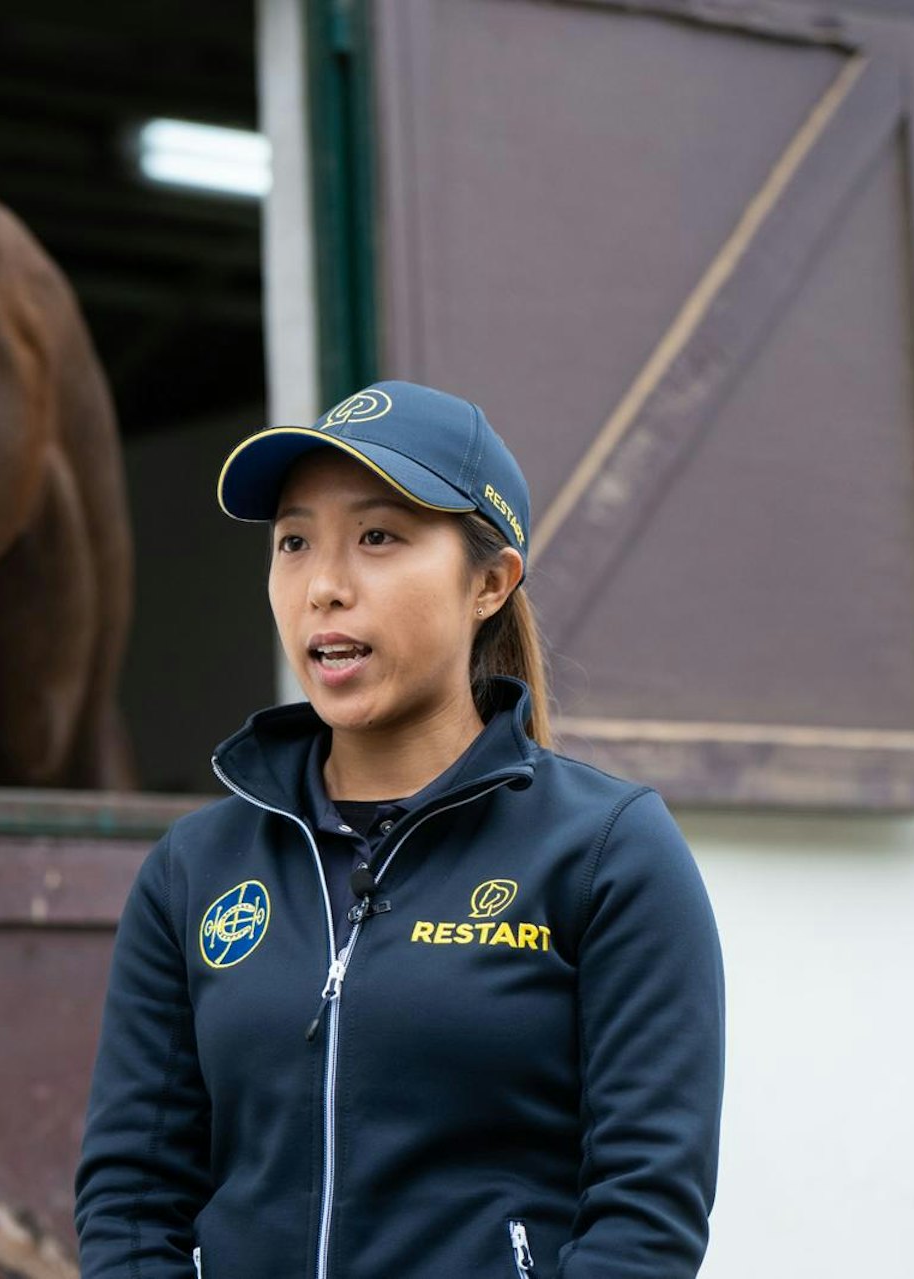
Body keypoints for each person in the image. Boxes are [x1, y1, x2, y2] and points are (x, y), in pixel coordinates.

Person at [73, 380, 725, 1278]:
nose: (325, 587)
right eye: (294, 542)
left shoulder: (607, 853)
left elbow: (646, 1214)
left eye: (378, 537)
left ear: (489, 583)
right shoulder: (195, 869)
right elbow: (130, 1202)